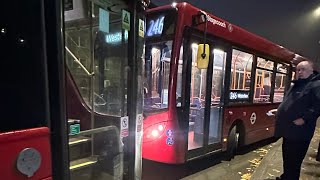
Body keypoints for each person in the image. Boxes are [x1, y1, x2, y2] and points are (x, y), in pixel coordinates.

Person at [274, 60, 320, 180]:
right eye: (298, 70)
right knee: (288, 158)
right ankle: (286, 177)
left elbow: (317, 106)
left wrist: (304, 119)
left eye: (303, 69)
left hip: (300, 133)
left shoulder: (316, 85)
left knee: (294, 161)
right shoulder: (298, 84)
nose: (299, 72)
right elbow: (290, 102)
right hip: (289, 131)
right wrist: (280, 110)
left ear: (311, 71)